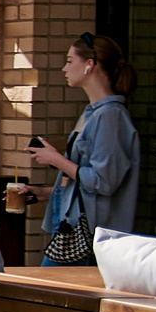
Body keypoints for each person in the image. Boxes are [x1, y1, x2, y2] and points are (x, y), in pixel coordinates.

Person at [33, 32, 140, 258]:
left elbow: (104, 181)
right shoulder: (93, 113)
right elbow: (88, 184)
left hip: (88, 236)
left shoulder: (110, 116)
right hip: (71, 230)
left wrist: (56, 160)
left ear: (89, 65)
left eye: (70, 61)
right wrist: (45, 193)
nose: (64, 68)